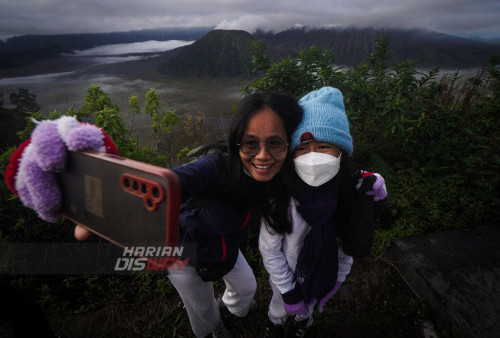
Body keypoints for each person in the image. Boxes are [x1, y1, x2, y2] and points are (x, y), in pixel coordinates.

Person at [68, 92, 305, 337]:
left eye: (275, 142)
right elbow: (170, 184)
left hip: (226, 249)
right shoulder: (217, 168)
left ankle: (234, 309)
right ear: (237, 142)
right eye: (250, 143)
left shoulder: (277, 177)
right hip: (182, 253)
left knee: (246, 289)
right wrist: (108, 200)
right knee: (202, 309)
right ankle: (215, 330)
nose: (263, 155)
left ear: (289, 143)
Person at [259, 86, 388, 337]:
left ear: (341, 151)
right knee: (280, 305)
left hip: (323, 273)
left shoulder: (348, 195)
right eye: (302, 148)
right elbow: (269, 249)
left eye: (323, 146)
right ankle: (275, 322)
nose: (312, 157)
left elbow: (346, 244)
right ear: (291, 153)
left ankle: (302, 323)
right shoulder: (281, 198)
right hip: (285, 276)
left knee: (308, 306)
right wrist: (288, 290)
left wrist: (339, 277)